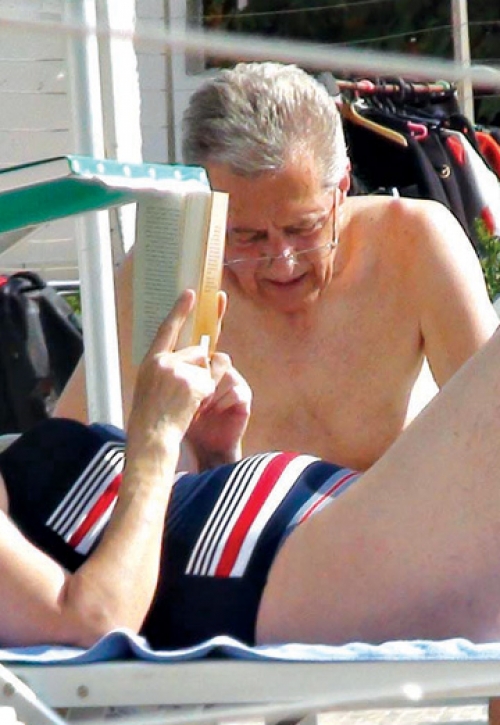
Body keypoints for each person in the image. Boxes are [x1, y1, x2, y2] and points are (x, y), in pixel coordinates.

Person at [54, 62, 498, 472]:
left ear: (341, 187)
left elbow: (491, 424)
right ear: (205, 210)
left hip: (399, 517)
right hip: (240, 525)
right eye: (246, 236)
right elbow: (63, 456)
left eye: (302, 228)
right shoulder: (170, 270)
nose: (282, 263)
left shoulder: (412, 242)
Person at [5, 288, 500, 654]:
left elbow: (161, 535)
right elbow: (92, 624)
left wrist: (212, 459)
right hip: (293, 571)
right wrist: (156, 437)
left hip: (320, 536)